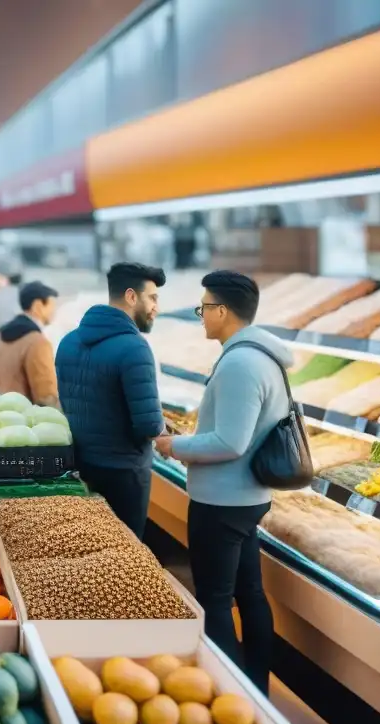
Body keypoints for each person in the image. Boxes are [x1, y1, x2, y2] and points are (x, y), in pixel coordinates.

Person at [154, 271, 288, 693]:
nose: (202, 316)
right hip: (246, 497)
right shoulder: (263, 357)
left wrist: (175, 446)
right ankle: (257, 689)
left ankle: (231, 694)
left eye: (204, 307)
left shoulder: (240, 363)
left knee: (215, 598)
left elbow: (231, 441)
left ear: (223, 311)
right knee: (249, 592)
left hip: (223, 500)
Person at [56, 262, 166, 539]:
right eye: (152, 298)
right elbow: (149, 425)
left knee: (91, 552)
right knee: (124, 558)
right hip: (125, 476)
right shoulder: (135, 348)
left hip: (82, 468)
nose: (157, 307)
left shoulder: (68, 342)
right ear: (131, 296)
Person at [0, 281, 60, 408]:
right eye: (51, 304)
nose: (54, 310)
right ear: (38, 306)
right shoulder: (37, 342)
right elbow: (46, 396)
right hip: (25, 421)